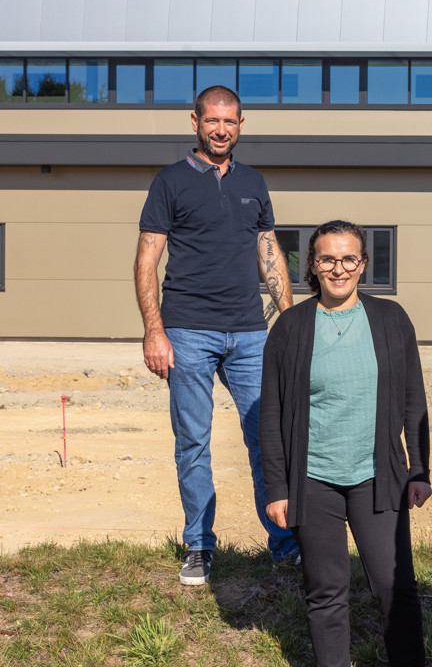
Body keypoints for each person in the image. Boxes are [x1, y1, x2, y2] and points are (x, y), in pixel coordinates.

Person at [135, 84, 298, 585]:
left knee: (267, 438)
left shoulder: (254, 181)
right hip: (186, 331)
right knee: (193, 444)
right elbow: (147, 259)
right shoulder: (170, 182)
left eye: (230, 121)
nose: (221, 129)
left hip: (251, 332)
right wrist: (154, 332)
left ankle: (285, 542)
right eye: (212, 121)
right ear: (195, 122)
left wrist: (289, 322)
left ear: (241, 124)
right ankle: (199, 547)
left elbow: (269, 251)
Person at [260, 220, 431, 667]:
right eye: (327, 259)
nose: (339, 269)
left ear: (364, 264)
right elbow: (272, 414)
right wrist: (277, 487)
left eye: (348, 258)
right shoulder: (290, 328)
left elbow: (414, 401)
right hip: (314, 480)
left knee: (396, 588)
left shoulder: (392, 320)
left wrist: (419, 470)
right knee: (326, 593)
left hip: (378, 476)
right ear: (312, 266)